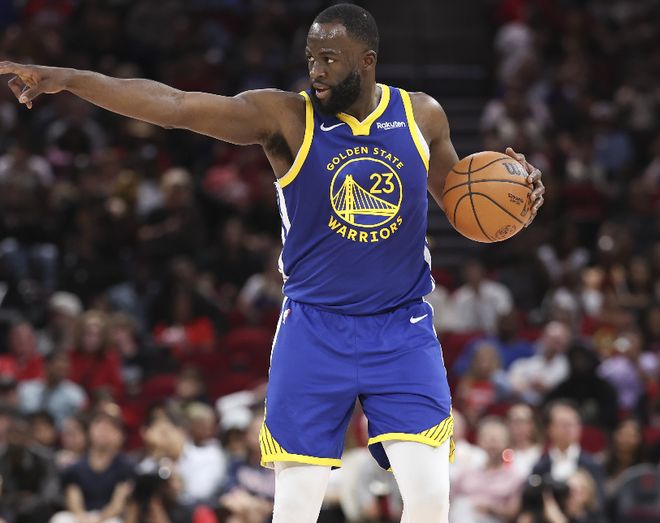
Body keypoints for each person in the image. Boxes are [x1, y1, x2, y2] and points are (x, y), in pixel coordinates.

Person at [0, 4, 545, 521]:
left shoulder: (421, 115)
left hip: (401, 327)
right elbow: (175, 105)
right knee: (294, 510)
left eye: (329, 59)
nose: (316, 71)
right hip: (314, 330)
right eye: (311, 58)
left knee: (430, 500)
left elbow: (464, 203)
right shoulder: (285, 117)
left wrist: (515, 198)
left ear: (367, 61)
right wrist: (68, 79)